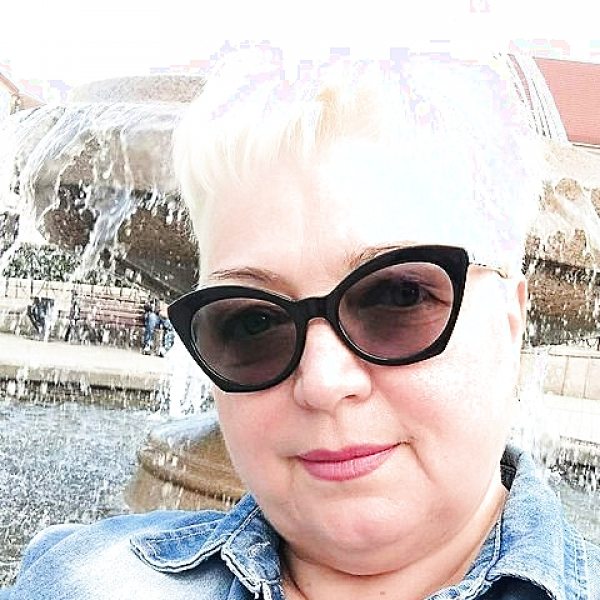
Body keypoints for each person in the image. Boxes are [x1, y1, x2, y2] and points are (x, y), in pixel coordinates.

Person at [3, 47, 599, 600]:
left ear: (510, 320)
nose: (321, 382)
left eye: (397, 297)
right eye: (252, 323)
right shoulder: (77, 581)